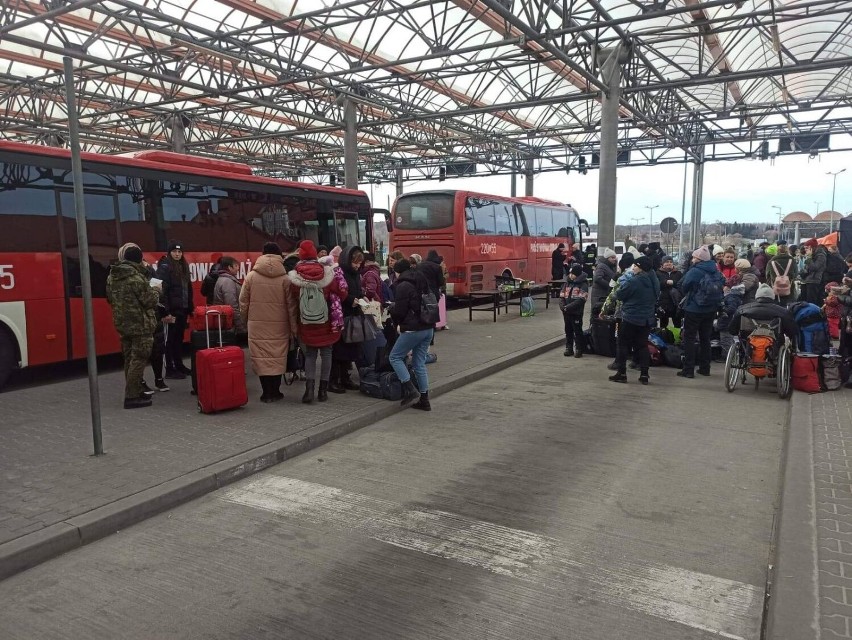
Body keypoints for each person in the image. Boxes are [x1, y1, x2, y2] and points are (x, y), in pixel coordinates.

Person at [239, 242, 297, 403]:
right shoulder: (285, 279)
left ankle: (266, 393)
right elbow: (291, 306)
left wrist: (246, 321)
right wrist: (294, 329)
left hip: (257, 325)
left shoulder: (251, 276)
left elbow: (243, 302)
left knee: (261, 358)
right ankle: (276, 392)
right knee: (277, 358)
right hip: (280, 325)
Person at [288, 240, 346, 403]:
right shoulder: (327, 271)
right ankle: (323, 392)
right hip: (325, 321)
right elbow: (341, 293)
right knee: (327, 353)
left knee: (311, 355)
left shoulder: (295, 274)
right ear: (315, 254)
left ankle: (309, 391)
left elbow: (292, 297)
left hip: (306, 321)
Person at [106, 244, 161, 409]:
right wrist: (156, 290)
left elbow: (109, 299)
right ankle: (131, 396)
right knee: (139, 358)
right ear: (138, 259)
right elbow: (150, 301)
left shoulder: (112, 277)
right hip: (140, 325)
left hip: (123, 324)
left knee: (129, 358)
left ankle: (135, 390)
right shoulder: (136, 278)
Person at [388, 258, 434, 410]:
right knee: (419, 363)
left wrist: (392, 310)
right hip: (428, 327)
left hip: (413, 329)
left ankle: (410, 389)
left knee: (394, 357)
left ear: (398, 271)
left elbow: (400, 311)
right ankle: (425, 400)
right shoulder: (421, 279)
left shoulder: (403, 285)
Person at [608, 256, 660, 385]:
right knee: (642, 345)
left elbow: (619, 294)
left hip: (631, 317)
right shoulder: (654, 280)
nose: (633, 268)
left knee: (623, 344)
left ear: (641, 268)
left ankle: (622, 373)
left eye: (635, 266)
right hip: (647, 318)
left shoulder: (634, 281)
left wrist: (614, 294)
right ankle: (644, 374)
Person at [678, 245, 725, 379]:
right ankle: (705, 368)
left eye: (694, 257)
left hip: (694, 308)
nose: (692, 259)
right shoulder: (715, 270)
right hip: (710, 309)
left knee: (689, 338)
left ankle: (688, 369)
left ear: (699, 259)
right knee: (706, 338)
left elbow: (684, 286)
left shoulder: (695, 271)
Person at [156, 240, 193, 380]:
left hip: (182, 310)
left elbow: (187, 289)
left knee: (178, 339)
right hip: (171, 311)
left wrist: (189, 307)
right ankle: (169, 369)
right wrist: (165, 312)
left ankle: (179, 365)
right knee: (169, 340)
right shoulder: (165, 267)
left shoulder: (183, 267)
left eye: (179, 252)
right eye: (174, 251)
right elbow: (160, 291)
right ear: (169, 252)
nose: (177, 254)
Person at [332, 245, 366, 391]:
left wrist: (362, 297)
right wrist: (351, 299)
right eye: (355, 263)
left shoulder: (356, 275)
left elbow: (356, 291)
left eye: (359, 263)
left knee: (350, 349)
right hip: (342, 316)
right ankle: (334, 380)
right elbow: (336, 293)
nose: (358, 266)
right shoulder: (339, 273)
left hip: (353, 316)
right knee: (339, 350)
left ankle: (345, 378)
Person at [728, 284, 798, 349]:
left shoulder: (742, 309)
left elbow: (732, 330)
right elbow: (792, 331)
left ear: (757, 296)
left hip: (748, 344)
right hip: (773, 344)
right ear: (772, 296)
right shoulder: (782, 311)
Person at [212, 256, 246, 335]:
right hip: (229, 324)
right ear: (229, 267)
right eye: (236, 266)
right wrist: (241, 327)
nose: (238, 268)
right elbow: (232, 306)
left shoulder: (223, 279)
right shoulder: (228, 282)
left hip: (225, 322)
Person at [560, 264, 588, 358]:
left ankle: (579, 349)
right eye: (570, 273)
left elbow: (581, 299)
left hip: (576, 312)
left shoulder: (583, 284)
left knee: (577, 331)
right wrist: (563, 306)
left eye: (573, 274)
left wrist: (568, 307)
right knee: (568, 330)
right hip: (566, 312)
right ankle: (569, 348)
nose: (571, 275)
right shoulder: (566, 283)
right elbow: (562, 296)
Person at [656, 255, 682, 329]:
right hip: (663, 302)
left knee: (677, 323)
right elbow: (657, 285)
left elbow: (681, 284)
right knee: (663, 323)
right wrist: (665, 282)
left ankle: (677, 338)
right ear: (662, 264)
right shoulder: (657, 273)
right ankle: (663, 337)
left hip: (675, 303)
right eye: (666, 262)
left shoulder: (678, 273)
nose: (669, 263)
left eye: (671, 262)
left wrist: (673, 282)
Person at [591, 248, 618, 315]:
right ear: (607, 258)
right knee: (597, 315)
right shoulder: (601, 266)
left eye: (615, 257)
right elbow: (597, 278)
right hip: (599, 296)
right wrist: (610, 286)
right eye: (612, 257)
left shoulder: (610, 266)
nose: (615, 259)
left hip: (603, 295)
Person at [800, 238, 827, 305]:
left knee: (811, 300)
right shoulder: (812, 255)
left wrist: (809, 258)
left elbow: (815, 267)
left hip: (814, 280)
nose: (805, 250)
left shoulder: (821, 255)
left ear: (812, 247)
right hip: (807, 280)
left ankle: (812, 314)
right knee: (803, 299)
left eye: (807, 248)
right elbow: (807, 268)